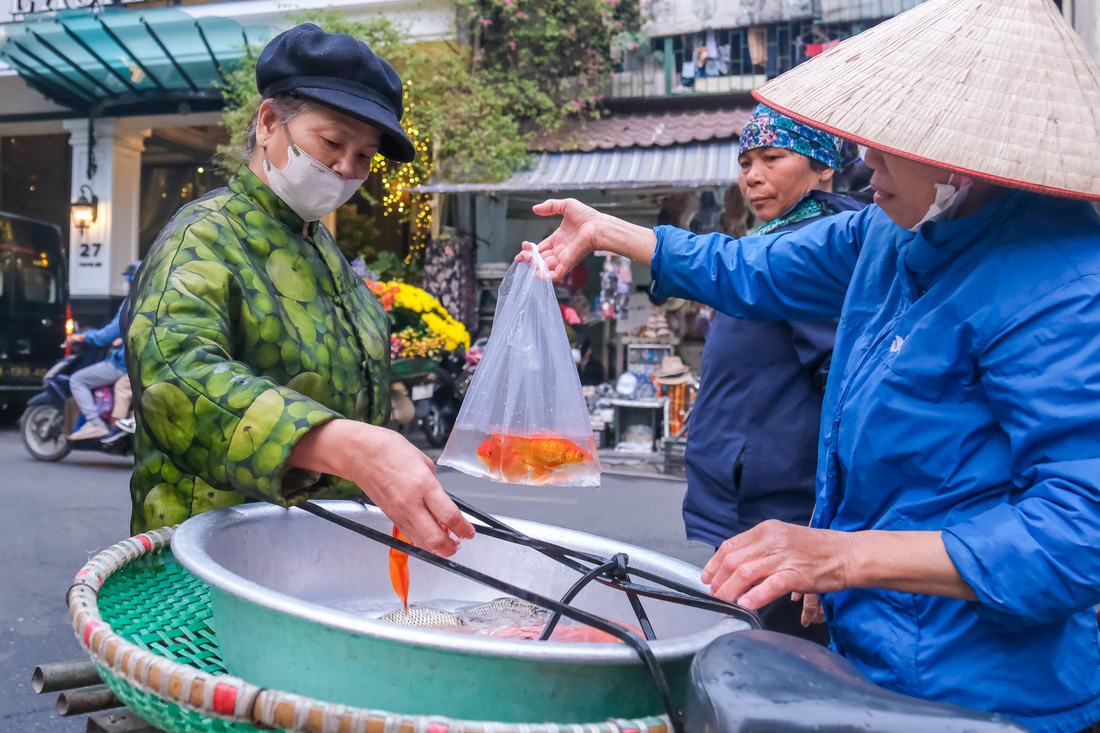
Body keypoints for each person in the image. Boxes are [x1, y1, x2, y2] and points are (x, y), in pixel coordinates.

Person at [518, 0, 1100, 730]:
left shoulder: (1063, 286)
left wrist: (843, 557)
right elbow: (744, 269)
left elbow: (1077, 534)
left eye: (888, 144)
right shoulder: (892, 230)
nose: (864, 162)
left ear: (959, 157)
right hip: (875, 650)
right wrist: (608, 230)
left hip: (988, 692)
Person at [123, 24, 475, 556]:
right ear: (268, 123)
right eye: (332, 142)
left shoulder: (325, 252)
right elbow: (173, 374)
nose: (346, 168)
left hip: (318, 558)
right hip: (207, 563)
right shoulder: (205, 236)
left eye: (364, 157)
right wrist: (347, 447)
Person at [685, 105, 864, 645]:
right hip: (746, 498)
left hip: (780, 508)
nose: (752, 177)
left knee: (773, 661)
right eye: (745, 162)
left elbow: (843, 388)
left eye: (773, 158)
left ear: (823, 168)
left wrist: (827, 525)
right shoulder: (777, 238)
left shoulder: (810, 249)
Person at [65, 261, 141, 440]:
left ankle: (95, 423)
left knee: (77, 380)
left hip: (124, 362)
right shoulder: (151, 300)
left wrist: (83, 337)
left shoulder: (131, 302)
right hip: (140, 358)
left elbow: (107, 334)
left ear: (132, 280)